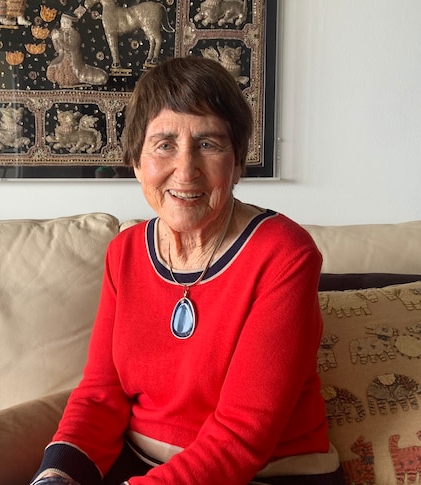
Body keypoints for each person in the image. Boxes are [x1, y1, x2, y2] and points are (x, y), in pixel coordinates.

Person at [30, 56, 343, 485]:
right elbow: (101, 396)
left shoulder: (284, 254)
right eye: (163, 144)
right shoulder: (125, 253)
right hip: (141, 468)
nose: (186, 169)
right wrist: (56, 477)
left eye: (209, 144)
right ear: (137, 162)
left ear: (235, 166)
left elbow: (242, 435)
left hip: (265, 474)